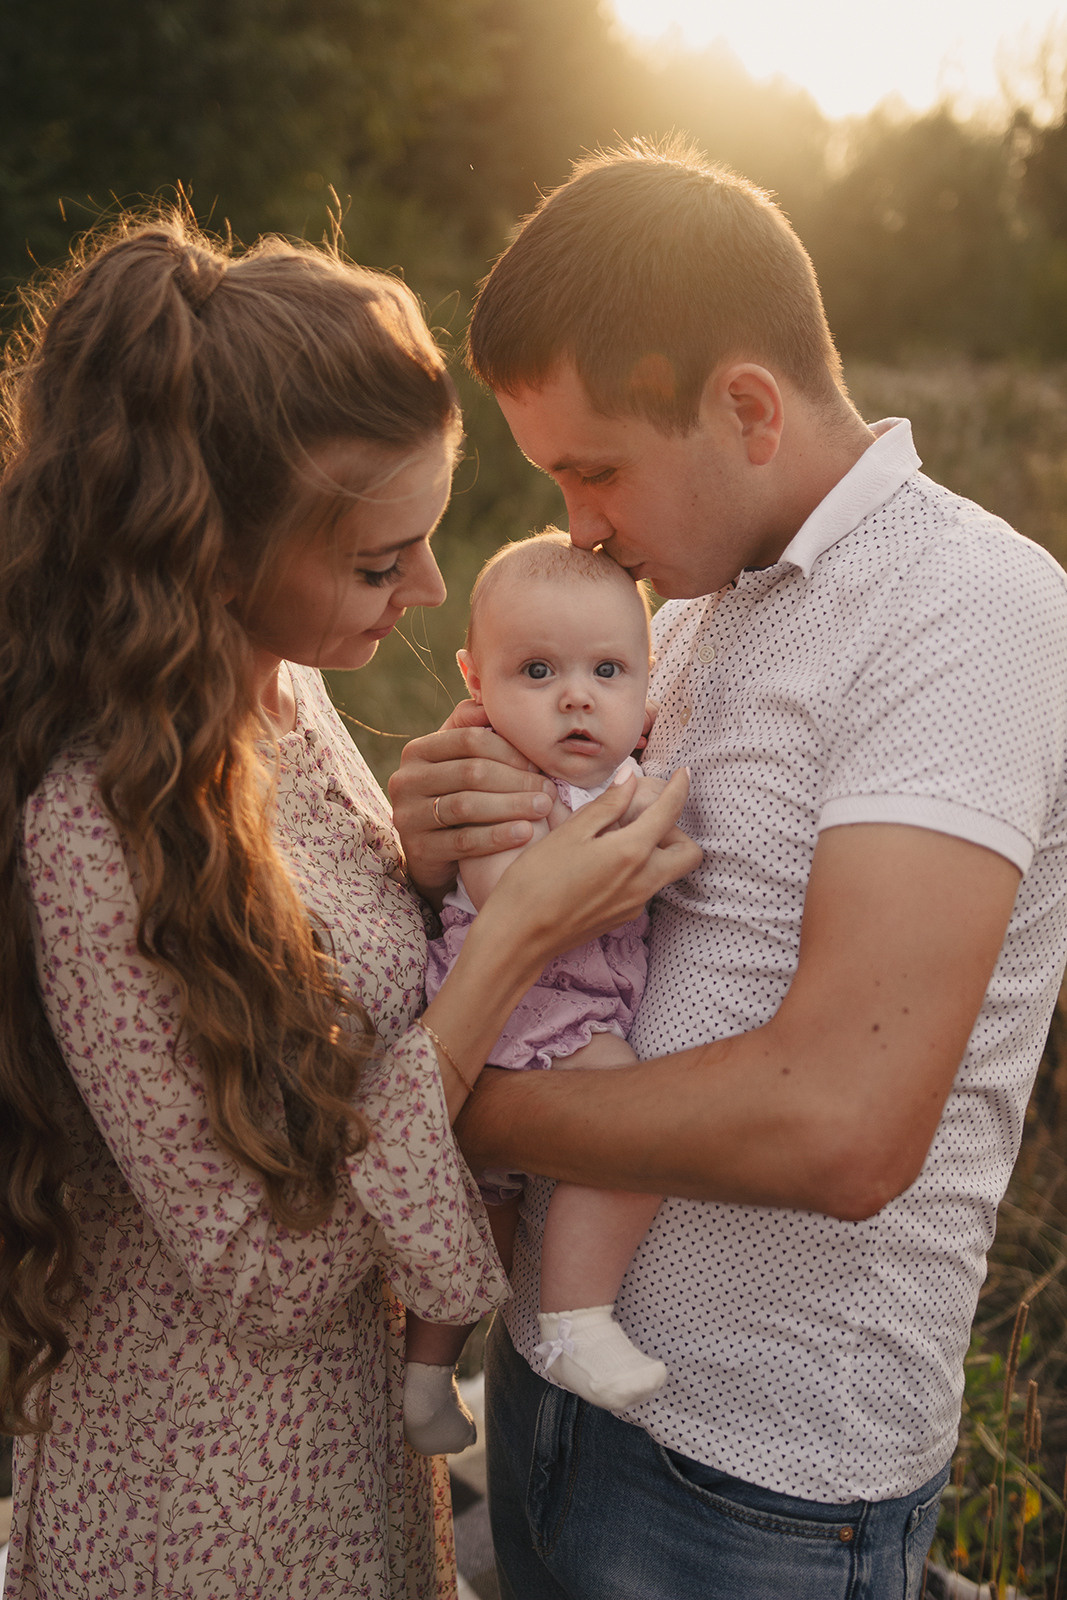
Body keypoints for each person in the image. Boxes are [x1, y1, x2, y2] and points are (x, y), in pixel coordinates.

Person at [389, 138, 1067, 1600]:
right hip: (548, 1397)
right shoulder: (683, 605)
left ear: (745, 407)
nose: (576, 524)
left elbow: (842, 1126)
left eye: (594, 469)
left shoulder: (970, 612)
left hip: (754, 1487)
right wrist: (442, 840)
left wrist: (450, 1100)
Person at [0, 211, 699, 1600]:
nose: (432, 593)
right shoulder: (88, 822)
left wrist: (433, 870)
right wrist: (506, 946)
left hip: (362, 1465)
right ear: (212, 554)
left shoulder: (284, 691)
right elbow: (259, 1269)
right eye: (381, 562)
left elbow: (316, 989)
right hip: (206, 1507)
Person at [405, 531, 670, 1457]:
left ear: (648, 687)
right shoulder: (500, 779)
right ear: (477, 682)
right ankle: (575, 1320)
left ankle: (427, 1379)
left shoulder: (623, 777)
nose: (575, 696)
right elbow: (502, 899)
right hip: (526, 1009)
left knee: (487, 1213)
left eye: (607, 669)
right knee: (634, 1125)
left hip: (547, 1008)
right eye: (537, 670)